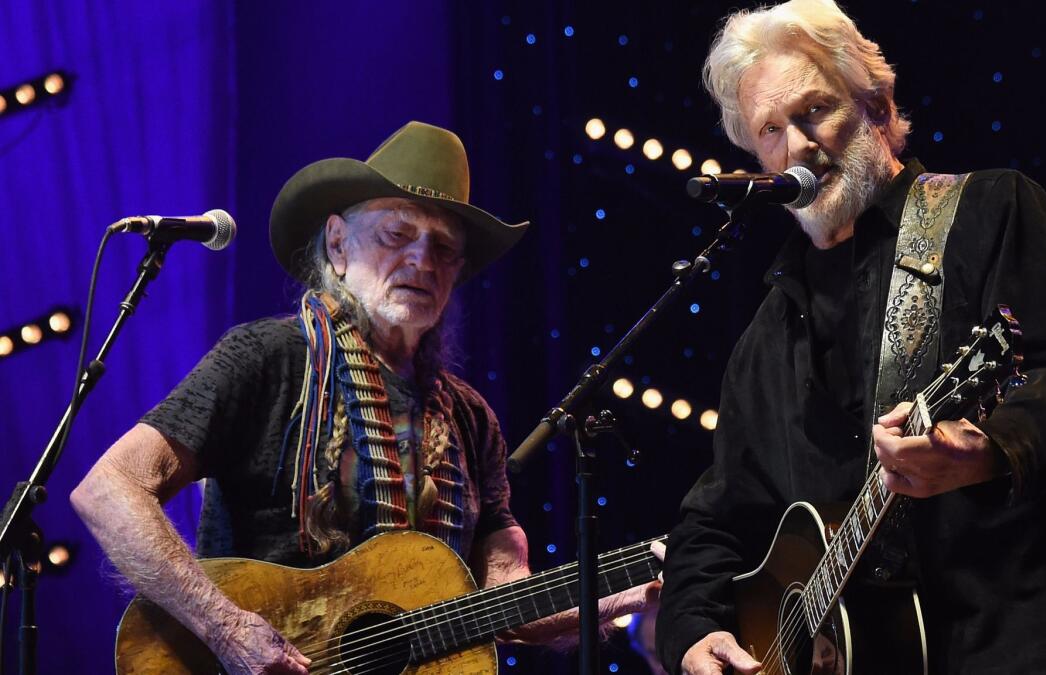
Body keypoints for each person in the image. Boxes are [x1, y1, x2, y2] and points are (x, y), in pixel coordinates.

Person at [655, 2, 1046, 673]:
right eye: (771, 129)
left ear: (878, 105)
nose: (797, 144)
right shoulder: (766, 338)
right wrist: (692, 629)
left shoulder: (989, 211)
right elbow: (713, 516)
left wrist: (992, 445)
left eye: (813, 110)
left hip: (1021, 640)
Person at [71, 121, 655, 674]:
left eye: (444, 249)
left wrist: (632, 587)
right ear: (337, 245)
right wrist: (224, 626)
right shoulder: (266, 358)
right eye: (397, 235)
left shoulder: (471, 419)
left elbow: (504, 591)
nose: (421, 260)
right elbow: (109, 490)